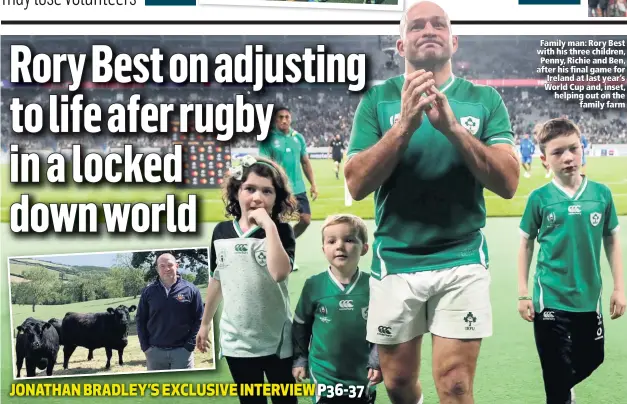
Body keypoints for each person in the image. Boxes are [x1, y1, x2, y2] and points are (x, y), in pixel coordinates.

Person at [344, 2, 520, 403]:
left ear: (453, 40)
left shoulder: (484, 100)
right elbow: (356, 184)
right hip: (397, 259)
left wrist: (453, 128)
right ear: (400, 44)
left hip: (461, 257)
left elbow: (508, 182)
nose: (428, 30)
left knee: (456, 383)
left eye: (438, 24)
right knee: (397, 383)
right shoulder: (377, 100)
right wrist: (404, 126)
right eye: (417, 25)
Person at [517, 117, 625, 404]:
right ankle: (560, 392)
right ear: (544, 160)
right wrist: (523, 292)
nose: (568, 157)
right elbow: (525, 244)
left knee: (592, 358)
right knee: (555, 380)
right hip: (549, 298)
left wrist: (619, 287)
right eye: (557, 152)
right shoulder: (539, 198)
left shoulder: (601, 194)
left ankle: (563, 387)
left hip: (589, 298)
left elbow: (612, 239)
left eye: (573, 149)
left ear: (582, 149)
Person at [196, 155, 299, 404]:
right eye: (249, 189)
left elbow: (279, 272)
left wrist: (270, 226)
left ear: (277, 198)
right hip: (237, 341)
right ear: (236, 192)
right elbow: (216, 280)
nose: (257, 197)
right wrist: (205, 323)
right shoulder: (220, 232)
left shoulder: (282, 231)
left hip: (277, 340)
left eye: (267, 191)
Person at [292, 214, 382, 404]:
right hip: (324, 376)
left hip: (361, 375)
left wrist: (377, 359)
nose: (339, 246)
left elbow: (382, 328)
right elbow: (301, 324)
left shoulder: (373, 286)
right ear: (324, 248)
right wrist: (301, 359)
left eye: (349, 240)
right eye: (331, 241)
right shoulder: (314, 285)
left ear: (364, 248)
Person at [136, 253, 204, 371]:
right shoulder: (148, 292)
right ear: (157, 269)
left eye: (170, 265)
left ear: (177, 266)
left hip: (182, 352)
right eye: (162, 266)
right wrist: (145, 347)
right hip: (155, 353)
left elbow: (199, 318)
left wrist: (189, 345)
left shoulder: (191, 290)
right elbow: (140, 319)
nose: (166, 269)